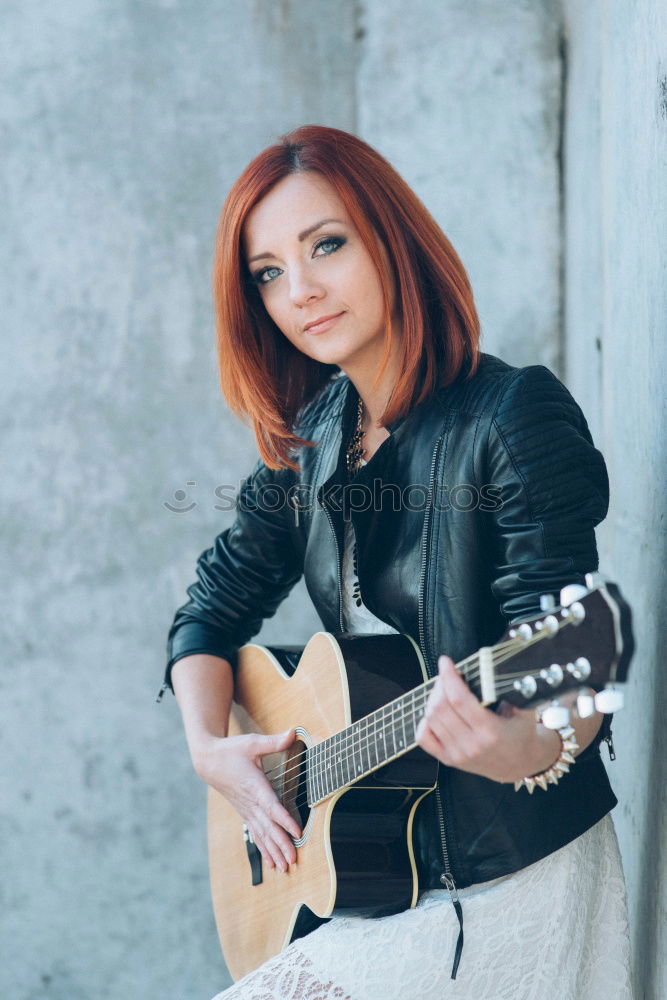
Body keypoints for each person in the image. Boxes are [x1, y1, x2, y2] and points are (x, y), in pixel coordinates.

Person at [160, 124, 633, 999]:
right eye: (267, 273)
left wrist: (507, 747)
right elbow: (210, 611)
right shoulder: (313, 439)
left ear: (390, 236)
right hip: (385, 882)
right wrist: (207, 748)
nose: (299, 291)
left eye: (324, 245)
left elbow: (573, 673)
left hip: (509, 875)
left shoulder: (511, 417)